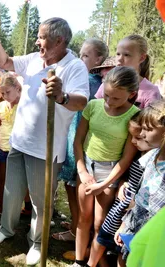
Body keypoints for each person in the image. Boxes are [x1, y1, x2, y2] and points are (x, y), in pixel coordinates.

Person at [0, 16, 90, 265]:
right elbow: (4, 61)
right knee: (10, 192)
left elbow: (82, 101)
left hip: (45, 150)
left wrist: (62, 96)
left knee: (40, 201)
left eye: (42, 37)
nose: (37, 40)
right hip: (19, 142)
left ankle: (37, 242)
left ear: (59, 40)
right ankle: (6, 229)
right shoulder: (33, 59)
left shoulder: (74, 67)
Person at [72, 66, 140, 267]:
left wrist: (106, 184)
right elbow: (78, 141)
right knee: (83, 217)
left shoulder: (134, 116)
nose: (109, 102)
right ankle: (78, 261)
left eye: (117, 99)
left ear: (132, 94)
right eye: (107, 95)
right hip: (87, 167)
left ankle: (93, 263)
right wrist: (82, 171)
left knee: (99, 222)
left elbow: (127, 157)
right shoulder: (93, 106)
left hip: (110, 173)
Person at [53, 39, 108, 243]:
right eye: (80, 54)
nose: (80, 58)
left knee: (74, 186)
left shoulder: (91, 83)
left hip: (79, 140)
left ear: (98, 59)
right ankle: (77, 226)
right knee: (73, 187)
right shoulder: (93, 81)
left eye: (86, 55)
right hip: (76, 138)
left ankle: (77, 232)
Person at [86, 111, 151, 267]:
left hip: (134, 210)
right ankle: (91, 263)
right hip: (121, 204)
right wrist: (123, 182)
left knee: (123, 247)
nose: (133, 141)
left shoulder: (153, 159)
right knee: (103, 235)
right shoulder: (138, 155)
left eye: (138, 138)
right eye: (132, 137)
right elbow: (127, 174)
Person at [114, 100, 165, 267]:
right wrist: (124, 225)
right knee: (124, 259)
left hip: (154, 234)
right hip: (135, 223)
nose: (142, 134)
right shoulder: (152, 155)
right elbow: (139, 195)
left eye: (148, 129)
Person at [95, 35, 161, 108]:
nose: (119, 59)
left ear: (142, 58)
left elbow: (151, 118)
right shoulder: (107, 84)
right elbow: (96, 110)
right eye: (118, 54)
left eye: (126, 55)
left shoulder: (151, 91)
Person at [0, 73, 21, 214]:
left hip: (17, 148)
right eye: (2, 93)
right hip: (1, 147)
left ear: (17, 88)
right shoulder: (1, 106)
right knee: (1, 178)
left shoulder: (23, 105)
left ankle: (15, 208)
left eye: (8, 92)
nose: (5, 96)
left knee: (16, 181)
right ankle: (3, 205)